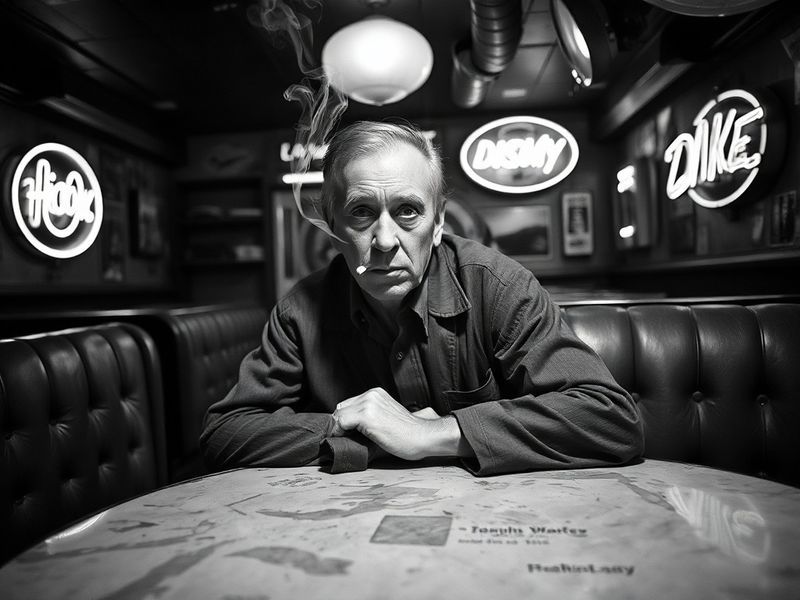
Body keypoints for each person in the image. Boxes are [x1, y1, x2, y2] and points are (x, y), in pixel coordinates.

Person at [200, 121, 644, 476]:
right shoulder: (300, 310)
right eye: (362, 212)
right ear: (333, 225)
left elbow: (611, 420)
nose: (385, 240)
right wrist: (346, 427)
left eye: (407, 210)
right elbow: (225, 433)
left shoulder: (497, 285)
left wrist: (427, 434)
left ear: (437, 224)